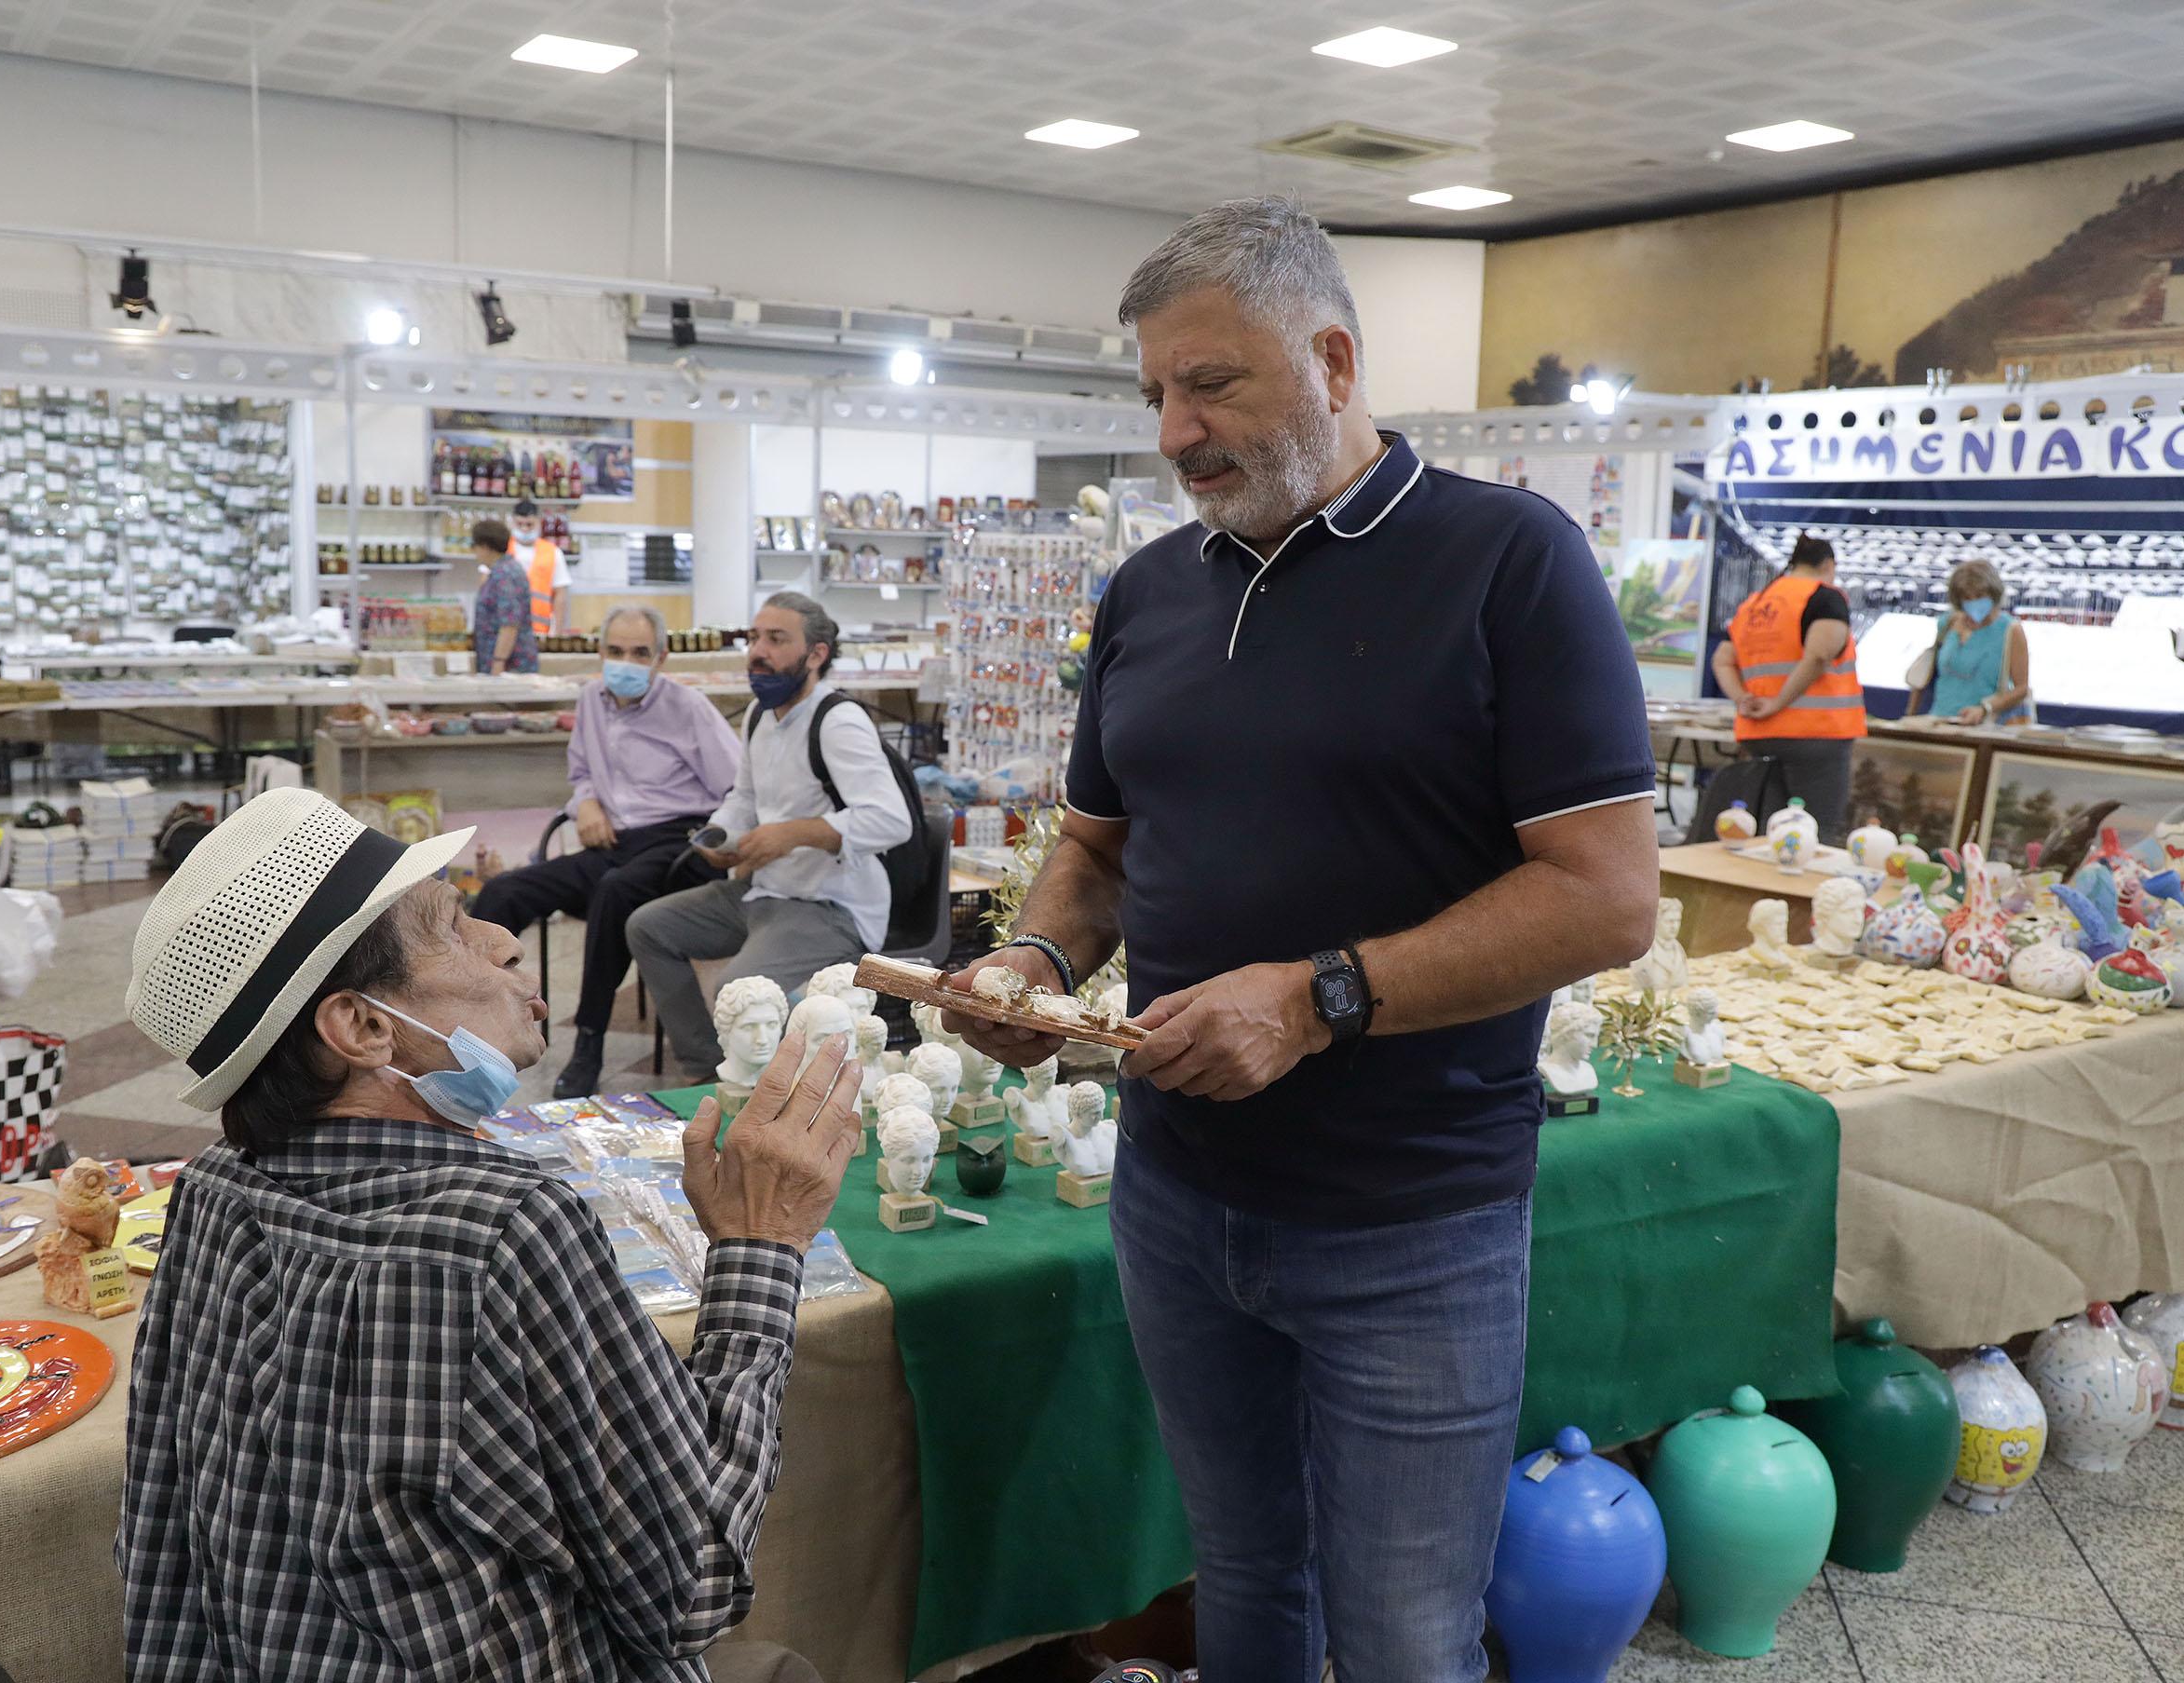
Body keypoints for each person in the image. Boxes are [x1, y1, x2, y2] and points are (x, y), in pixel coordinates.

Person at [939, 196, 1657, 1682]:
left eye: (1212, 383)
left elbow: (1605, 893)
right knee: (1248, 1590)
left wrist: (1324, 996)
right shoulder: (1146, 593)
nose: (1174, 429)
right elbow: (1096, 848)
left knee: (1401, 1635)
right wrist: (1040, 964)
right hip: (1176, 1201)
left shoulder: (1509, 562)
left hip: (1413, 1224)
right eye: (1153, 392)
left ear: (1332, 357)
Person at [116, 787, 861, 1682]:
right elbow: (689, 1584)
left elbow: (155, 1537)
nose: (504, 941)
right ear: (361, 1026)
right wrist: (760, 1249)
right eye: (453, 924)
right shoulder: (503, 1228)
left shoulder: (212, 1187)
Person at [627, 592, 912, 1083]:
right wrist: (722, 837)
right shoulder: (762, 715)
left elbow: (892, 820)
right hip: (763, 891)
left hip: (830, 906)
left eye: (776, 640)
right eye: (755, 637)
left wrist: (797, 834)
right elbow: (744, 797)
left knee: (743, 988)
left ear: (816, 654)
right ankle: (709, 1071)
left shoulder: (838, 721)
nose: (758, 650)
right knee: (649, 926)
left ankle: (769, 1093)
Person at [470, 605, 742, 1097]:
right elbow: (581, 775)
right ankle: (472, 1022)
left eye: (640, 653)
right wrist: (587, 802)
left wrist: (714, 840)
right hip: (611, 839)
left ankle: (589, 1042)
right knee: (507, 890)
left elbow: (737, 789)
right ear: (600, 653)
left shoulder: (690, 708)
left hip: (678, 844)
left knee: (615, 892)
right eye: (615, 651)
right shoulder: (591, 701)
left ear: (661, 658)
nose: (626, 662)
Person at [1712, 531, 1865, 843]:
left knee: (1769, 829)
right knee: (1815, 832)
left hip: (1760, 735)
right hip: (1816, 735)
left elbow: (1722, 660)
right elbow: (1820, 654)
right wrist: (1778, 702)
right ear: (1828, 564)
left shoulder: (1755, 604)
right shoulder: (1824, 598)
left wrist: (1743, 699)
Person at [1907, 558, 2033, 725]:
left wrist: (1984, 708)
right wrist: (1910, 716)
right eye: (1967, 597)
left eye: (1980, 595)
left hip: (1985, 726)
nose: (1974, 602)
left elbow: (2021, 689)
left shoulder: (2010, 630)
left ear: (1993, 594)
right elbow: (1927, 675)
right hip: (1939, 721)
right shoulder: (1947, 623)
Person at [469, 518, 537, 674]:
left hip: (510, 665)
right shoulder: (504, 570)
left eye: (475, 546)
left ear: (486, 547)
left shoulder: (503, 575)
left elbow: (510, 624)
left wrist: (499, 661)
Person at [512, 497, 572, 637]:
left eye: (529, 524)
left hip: (540, 632)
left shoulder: (553, 553)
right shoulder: (502, 549)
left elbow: (561, 595)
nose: (524, 529)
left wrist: (556, 633)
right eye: (520, 524)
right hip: (507, 631)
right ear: (512, 522)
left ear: (538, 522)